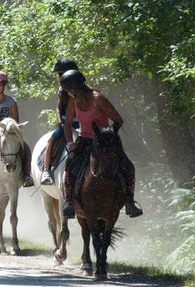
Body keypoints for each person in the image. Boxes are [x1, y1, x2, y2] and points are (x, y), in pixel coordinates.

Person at [60, 69, 143, 219]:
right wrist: (69, 143)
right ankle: (68, 202)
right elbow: (67, 125)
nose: (67, 93)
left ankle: (130, 202)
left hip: (105, 141)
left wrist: (108, 135)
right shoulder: (73, 101)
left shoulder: (98, 98)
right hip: (84, 140)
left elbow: (118, 120)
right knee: (70, 162)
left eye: (68, 90)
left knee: (127, 165)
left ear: (73, 88)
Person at [41, 58, 80, 185]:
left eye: (60, 74)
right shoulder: (62, 91)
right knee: (51, 140)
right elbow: (58, 108)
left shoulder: (81, 90)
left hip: (80, 123)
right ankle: (46, 170)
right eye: (59, 75)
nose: (59, 77)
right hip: (65, 123)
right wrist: (60, 122)